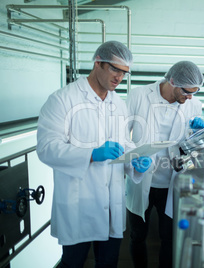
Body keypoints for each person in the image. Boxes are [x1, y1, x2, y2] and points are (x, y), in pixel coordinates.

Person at [36, 41, 152, 268]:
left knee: (108, 262)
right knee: (73, 263)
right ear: (98, 62)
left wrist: (134, 161)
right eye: (114, 69)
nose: (119, 77)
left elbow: (124, 143)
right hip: (78, 203)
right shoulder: (62, 99)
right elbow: (47, 148)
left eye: (124, 73)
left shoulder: (118, 104)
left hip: (112, 203)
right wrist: (91, 154)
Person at [125, 61, 204, 268]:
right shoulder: (139, 96)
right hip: (140, 176)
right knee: (137, 235)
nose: (190, 97)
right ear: (172, 81)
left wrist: (198, 131)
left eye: (194, 93)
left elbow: (192, 145)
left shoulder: (194, 105)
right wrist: (132, 159)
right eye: (187, 92)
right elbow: (121, 135)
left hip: (172, 181)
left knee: (169, 237)